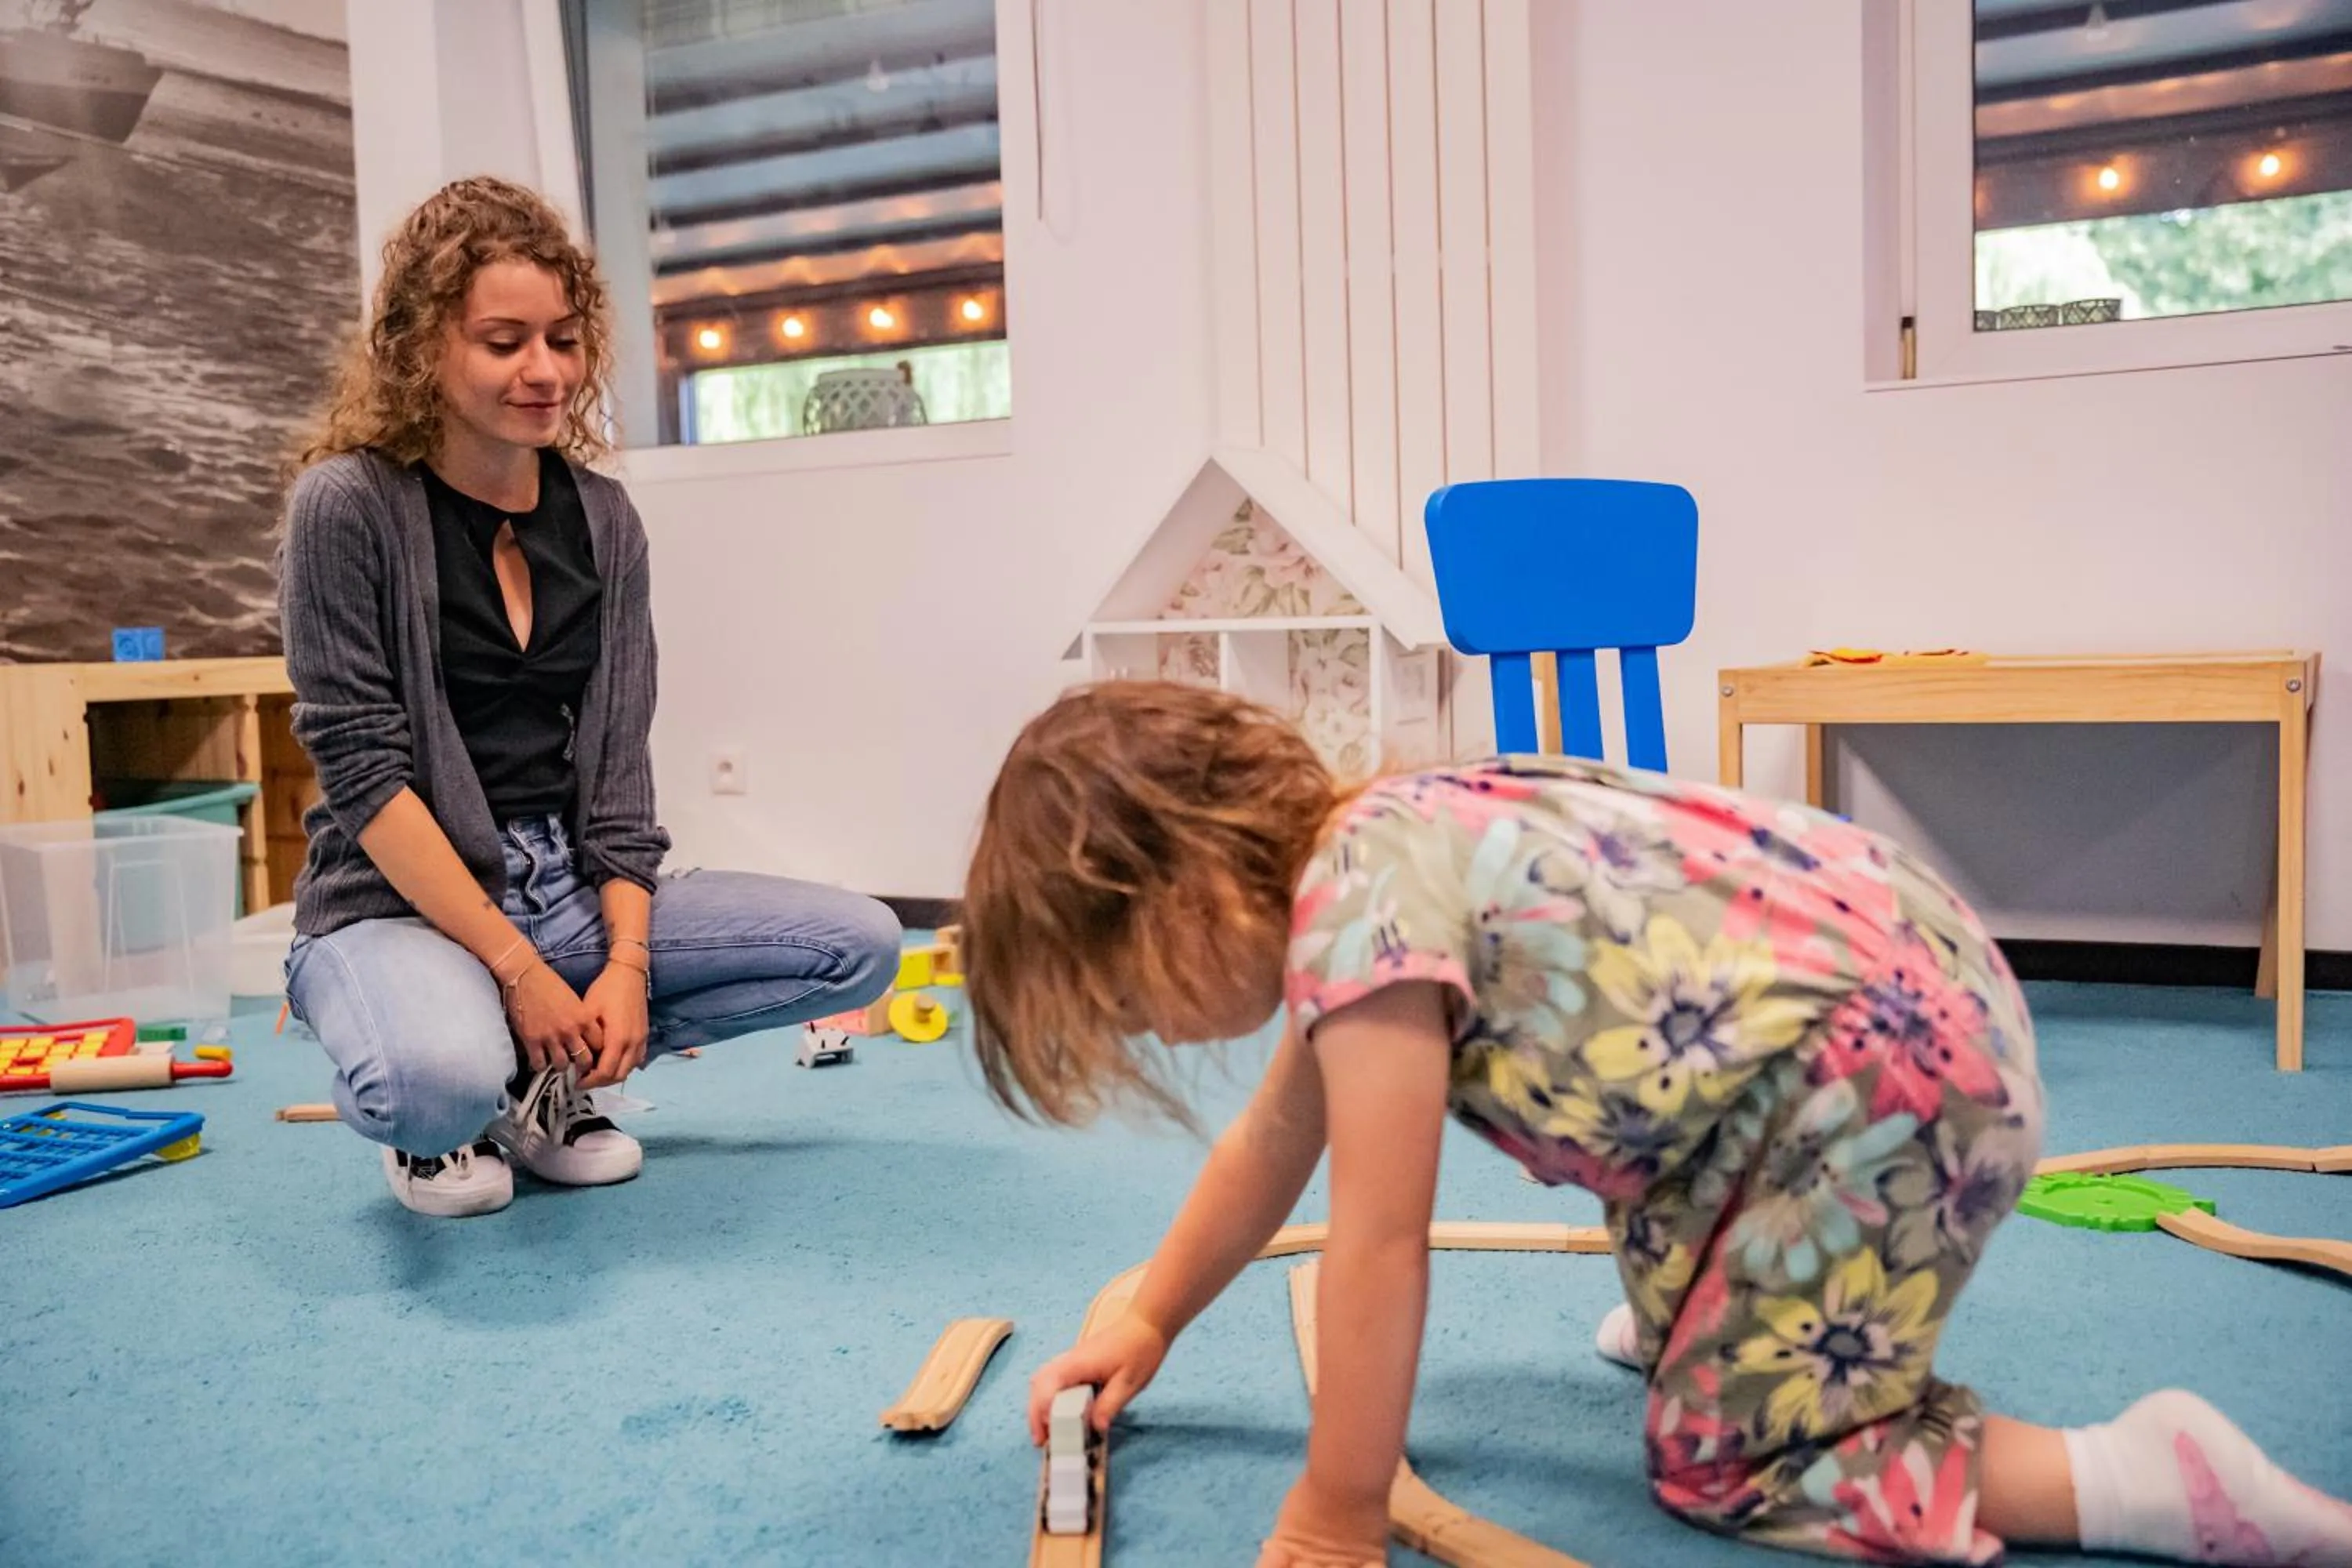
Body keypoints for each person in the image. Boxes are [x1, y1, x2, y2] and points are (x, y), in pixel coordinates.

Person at [962, 680, 2352, 1568]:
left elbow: (1378, 1244)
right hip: (1881, 1006)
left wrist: (1336, 1512)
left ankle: (2135, 1477)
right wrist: (1152, 1319)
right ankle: (1713, 1311)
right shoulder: (1381, 844)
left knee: (1727, 1464)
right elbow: (1273, 1145)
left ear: (1187, 891)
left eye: (1126, 997)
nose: (1147, 1032)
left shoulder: (1360, 926)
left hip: (1882, 1093)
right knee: (1662, 1191)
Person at [277, 176, 899, 1218]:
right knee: (431, 1087)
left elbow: (617, 779)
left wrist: (625, 966)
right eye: (504, 341)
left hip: (564, 882)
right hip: (396, 900)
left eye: (563, 340)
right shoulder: (346, 506)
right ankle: (456, 1097)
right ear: (422, 346)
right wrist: (518, 971)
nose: (545, 371)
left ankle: (542, 1080)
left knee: (863, 946)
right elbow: (365, 777)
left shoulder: (606, 520)